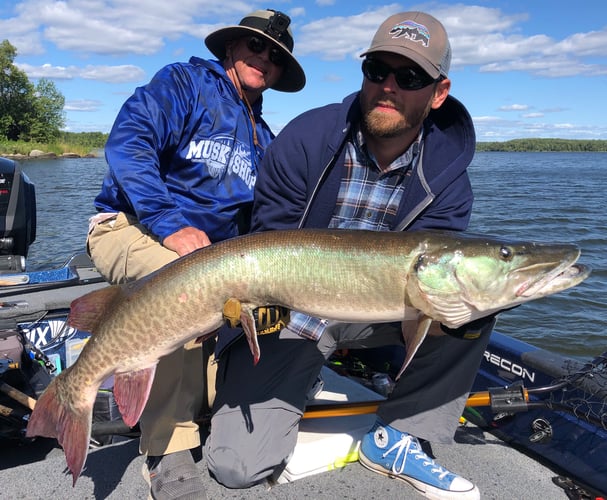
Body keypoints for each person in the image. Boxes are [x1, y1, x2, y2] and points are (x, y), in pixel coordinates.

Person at [205, 11, 494, 499]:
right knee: (236, 468)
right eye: (376, 69)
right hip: (294, 314)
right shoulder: (305, 138)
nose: (388, 86)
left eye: (409, 77)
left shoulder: (449, 178)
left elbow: (428, 286)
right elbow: (271, 241)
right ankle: (298, 378)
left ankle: (399, 433)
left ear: (438, 92)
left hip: (382, 311)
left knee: (478, 293)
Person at [86, 9, 305, 500]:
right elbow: (129, 141)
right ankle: (169, 447)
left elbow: (262, 222)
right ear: (231, 48)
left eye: (275, 55)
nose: (264, 58)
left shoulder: (264, 141)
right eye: (255, 46)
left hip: (210, 261)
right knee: (188, 286)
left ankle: (209, 400)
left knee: (235, 301)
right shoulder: (184, 85)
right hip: (130, 228)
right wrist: (169, 222)